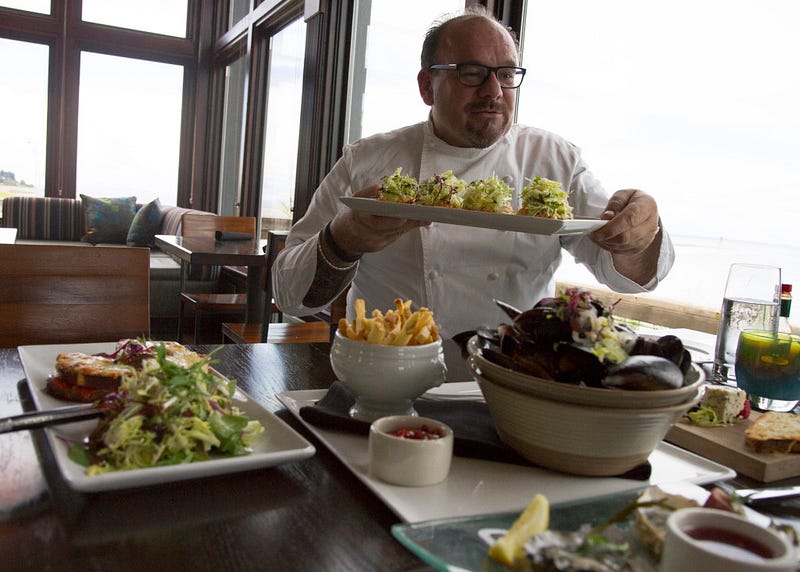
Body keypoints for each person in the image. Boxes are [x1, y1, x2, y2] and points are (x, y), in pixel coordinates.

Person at [272, 6, 673, 338]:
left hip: (512, 382)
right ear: (427, 86)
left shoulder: (555, 160)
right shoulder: (368, 159)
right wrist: (345, 238)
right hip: (390, 380)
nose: (493, 91)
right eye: (471, 73)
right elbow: (289, 293)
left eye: (506, 74)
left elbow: (622, 273)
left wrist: (639, 235)